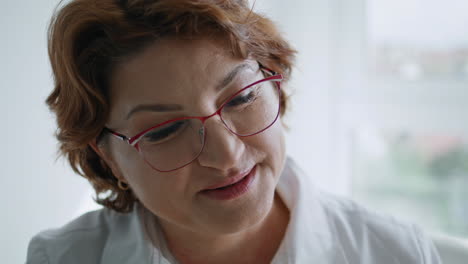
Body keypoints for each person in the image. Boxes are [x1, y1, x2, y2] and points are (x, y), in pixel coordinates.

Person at [26, 0, 442, 263]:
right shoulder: (61, 257)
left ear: (275, 83)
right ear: (108, 158)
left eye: (241, 98)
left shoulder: (398, 252)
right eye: (165, 130)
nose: (226, 156)